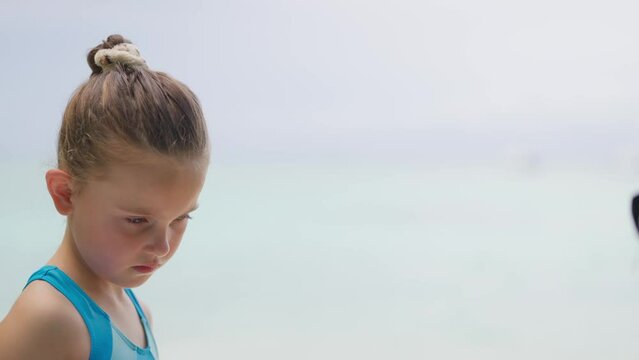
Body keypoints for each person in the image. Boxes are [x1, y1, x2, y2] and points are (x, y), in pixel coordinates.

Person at [0, 34, 210, 359]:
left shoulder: (137, 315)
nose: (163, 246)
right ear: (65, 193)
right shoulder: (51, 319)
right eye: (137, 220)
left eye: (180, 218)